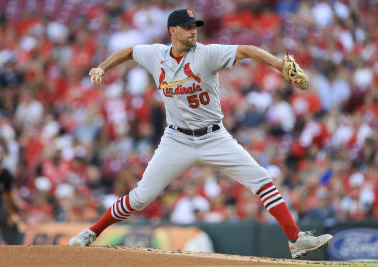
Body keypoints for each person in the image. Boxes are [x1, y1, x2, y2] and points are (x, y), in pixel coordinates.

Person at [70, 9, 332, 258]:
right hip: (176, 139)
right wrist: (102, 67)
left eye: (195, 26)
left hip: (214, 136)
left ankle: (296, 240)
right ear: (172, 31)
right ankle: (91, 232)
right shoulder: (156, 54)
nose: (193, 31)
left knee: (262, 180)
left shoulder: (207, 54)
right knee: (141, 197)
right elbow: (129, 51)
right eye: (187, 27)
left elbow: (247, 50)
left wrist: (278, 65)